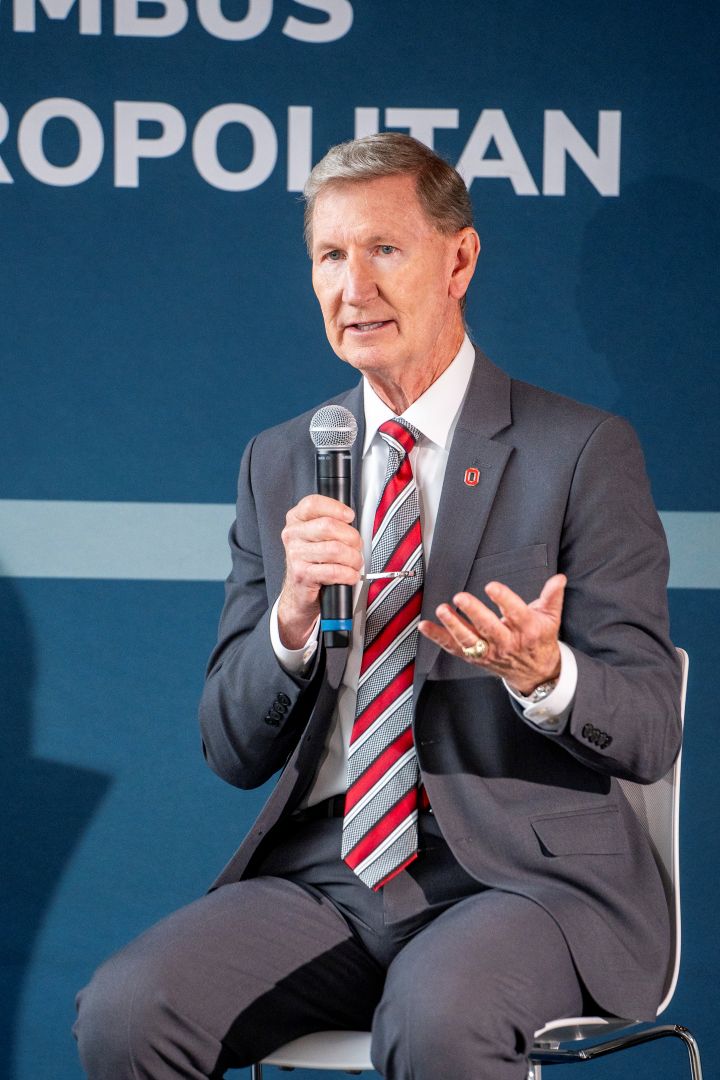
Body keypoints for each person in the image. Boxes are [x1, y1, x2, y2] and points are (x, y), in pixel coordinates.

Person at [74, 133, 682, 1080]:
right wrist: (289, 622)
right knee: (127, 1012)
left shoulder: (579, 451)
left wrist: (546, 675)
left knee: (438, 1019)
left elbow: (647, 727)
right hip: (331, 875)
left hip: (522, 882)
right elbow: (231, 750)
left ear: (459, 261)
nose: (352, 287)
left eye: (384, 249)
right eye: (330, 255)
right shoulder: (281, 461)